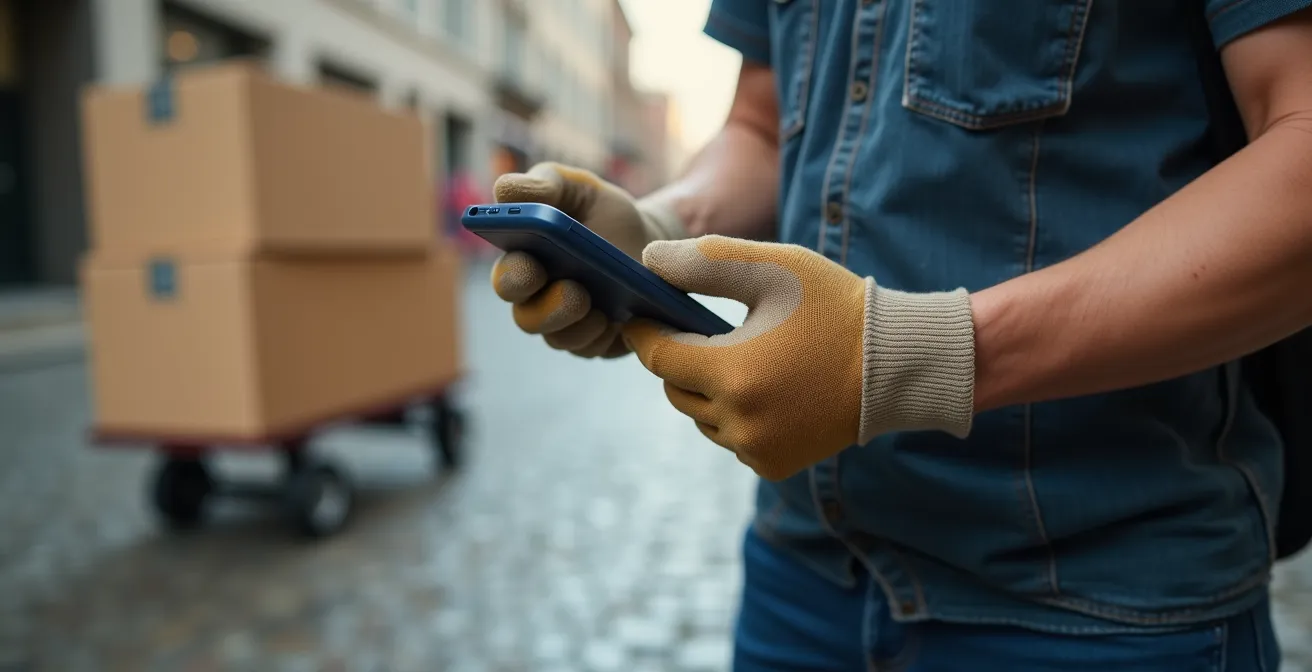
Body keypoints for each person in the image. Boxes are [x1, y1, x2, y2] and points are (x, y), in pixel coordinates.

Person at [490, 1, 1312, 669]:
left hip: (1100, 602)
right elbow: (759, 124)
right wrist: (660, 231)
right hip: (803, 577)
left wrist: (912, 356)